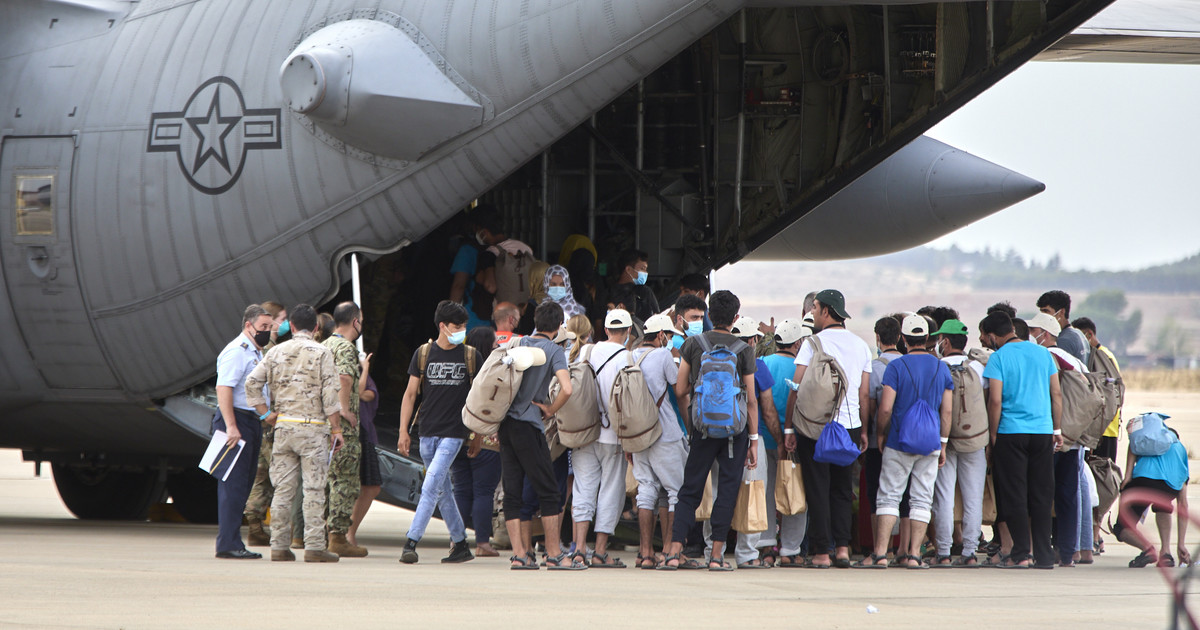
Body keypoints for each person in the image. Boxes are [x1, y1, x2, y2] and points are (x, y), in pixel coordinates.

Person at [662, 290, 759, 571]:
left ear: (708, 315)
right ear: (735, 318)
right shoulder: (745, 350)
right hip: (734, 432)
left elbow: (680, 389)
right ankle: (716, 557)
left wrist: (692, 422)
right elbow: (751, 400)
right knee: (726, 491)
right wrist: (753, 440)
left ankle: (673, 551)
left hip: (702, 429)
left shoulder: (694, 344)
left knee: (690, 490)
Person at [244, 304, 344, 563]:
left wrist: (266, 414)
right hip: (313, 429)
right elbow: (330, 396)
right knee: (313, 489)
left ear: (292, 326)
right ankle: (313, 546)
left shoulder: (275, 351)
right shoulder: (323, 353)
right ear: (316, 328)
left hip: (284, 427)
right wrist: (337, 428)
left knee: (282, 490)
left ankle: (278, 546)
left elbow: (252, 383)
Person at [784, 289, 873, 569]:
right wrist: (863, 431)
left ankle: (822, 553)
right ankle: (843, 549)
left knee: (817, 487)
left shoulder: (812, 343)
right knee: (843, 489)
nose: (812, 313)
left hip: (815, 427)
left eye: (816, 308)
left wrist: (789, 428)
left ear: (825, 311)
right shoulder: (861, 345)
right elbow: (864, 394)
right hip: (848, 426)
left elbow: (796, 387)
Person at [857, 315, 952, 569]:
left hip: (899, 440)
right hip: (930, 442)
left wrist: (881, 434)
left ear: (903, 339)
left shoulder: (896, 367)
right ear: (927, 338)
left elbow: (885, 408)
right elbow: (947, 411)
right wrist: (942, 443)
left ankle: (880, 554)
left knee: (888, 495)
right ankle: (914, 555)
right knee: (921, 498)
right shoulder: (941, 367)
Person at [397, 301, 481, 564]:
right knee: (442, 489)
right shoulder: (423, 353)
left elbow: (479, 399)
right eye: (457, 327)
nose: (462, 331)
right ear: (443, 326)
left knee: (431, 484)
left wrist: (478, 434)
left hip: (454, 432)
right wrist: (403, 430)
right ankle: (460, 544)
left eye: (464, 326)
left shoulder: (471, 356)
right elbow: (410, 394)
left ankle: (411, 542)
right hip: (426, 432)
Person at [979, 311, 1063, 569]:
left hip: (1010, 432)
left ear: (993, 336)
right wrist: (1056, 429)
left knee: (1014, 494)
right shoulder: (1043, 354)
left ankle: (1021, 553)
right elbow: (1056, 394)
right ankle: (1044, 555)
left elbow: (995, 400)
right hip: (1042, 432)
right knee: (1041, 494)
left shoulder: (998, 358)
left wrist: (993, 436)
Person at [500, 302, 575, 570]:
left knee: (513, 491)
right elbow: (566, 388)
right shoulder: (554, 350)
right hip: (528, 425)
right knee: (548, 490)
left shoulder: (518, 343)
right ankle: (554, 554)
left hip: (505, 426)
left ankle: (520, 555)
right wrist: (550, 409)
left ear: (535, 320)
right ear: (558, 326)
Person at [568, 309, 635, 568]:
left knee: (583, 488)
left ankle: (579, 548)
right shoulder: (627, 357)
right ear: (628, 332)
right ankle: (599, 551)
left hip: (585, 431)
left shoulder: (586, 351)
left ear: (605, 330)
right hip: (614, 436)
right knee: (611, 490)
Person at [211, 304, 274, 559]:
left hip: (250, 421)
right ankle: (227, 544)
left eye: (270, 327)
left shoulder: (256, 352)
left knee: (244, 484)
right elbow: (223, 388)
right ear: (249, 326)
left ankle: (233, 541)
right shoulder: (237, 352)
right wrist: (231, 427)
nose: (267, 332)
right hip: (236, 421)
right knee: (233, 485)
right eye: (263, 327)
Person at [1028, 311, 1090, 567]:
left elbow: (1049, 394)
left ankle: (1038, 549)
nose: (1031, 335)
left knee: (1042, 492)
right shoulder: (1075, 360)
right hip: (1075, 437)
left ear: (1045, 334)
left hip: (1054, 436)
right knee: (1068, 494)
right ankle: (1068, 552)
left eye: (1034, 331)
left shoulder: (1047, 357)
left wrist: (1055, 430)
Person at [626, 314, 687, 569]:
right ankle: (672, 551)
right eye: (669, 335)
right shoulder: (663, 356)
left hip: (638, 434)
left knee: (646, 491)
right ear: (661, 335)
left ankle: (646, 553)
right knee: (675, 492)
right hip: (665, 433)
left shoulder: (629, 355)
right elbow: (680, 389)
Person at [929, 319, 989, 567]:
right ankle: (970, 552)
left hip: (945, 441)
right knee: (973, 496)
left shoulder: (937, 367)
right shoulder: (977, 368)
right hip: (974, 440)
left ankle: (943, 552)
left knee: (944, 497)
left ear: (945, 341)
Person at [729, 317, 780, 569]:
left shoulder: (718, 362)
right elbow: (767, 409)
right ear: (753, 340)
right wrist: (779, 439)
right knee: (752, 494)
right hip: (752, 438)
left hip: (720, 436)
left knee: (719, 491)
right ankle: (747, 554)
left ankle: (711, 550)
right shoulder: (758, 365)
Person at [322, 302, 368, 558]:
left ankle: (320, 532)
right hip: (343, 428)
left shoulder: (325, 344)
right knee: (346, 481)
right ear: (355, 321)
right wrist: (343, 409)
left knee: (328, 480)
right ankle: (338, 537)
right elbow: (345, 378)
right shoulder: (346, 348)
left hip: (324, 424)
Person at [1115, 421, 1190, 568]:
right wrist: (1181, 543)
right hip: (1168, 487)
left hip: (1142, 481)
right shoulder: (1180, 451)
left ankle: (1148, 549)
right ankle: (1166, 553)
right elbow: (1183, 504)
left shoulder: (1147, 443)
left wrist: (1128, 476)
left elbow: (1132, 446)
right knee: (1163, 505)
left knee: (1122, 528)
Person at [865, 316, 904, 558]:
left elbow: (870, 407)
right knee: (905, 495)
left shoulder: (875, 368)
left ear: (877, 338)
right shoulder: (907, 365)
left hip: (875, 441)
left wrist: (870, 432)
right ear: (900, 338)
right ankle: (903, 548)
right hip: (904, 439)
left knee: (876, 494)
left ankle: (881, 548)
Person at [1073, 317, 1123, 462]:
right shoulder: (1099, 354)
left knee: (1101, 473)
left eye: (1080, 337)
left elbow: (1111, 392)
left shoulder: (1102, 356)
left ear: (1089, 335)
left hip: (1104, 429)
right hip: (1102, 427)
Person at [347, 355, 381, 548]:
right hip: (348, 433)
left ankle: (350, 532)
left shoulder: (361, 375)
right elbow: (361, 391)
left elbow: (367, 394)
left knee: (371, 486)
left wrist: (364, 370)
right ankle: (341, 533)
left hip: (365, 433)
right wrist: (365, 368)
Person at [473, 205, 534, 311]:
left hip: (503, 313)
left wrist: (479, 277)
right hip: (526, 309)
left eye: (477, 230)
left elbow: (490, 287)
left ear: (484, 232)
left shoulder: (490, 253)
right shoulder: (525, 248)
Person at [448, 220, 489, 330]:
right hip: (494, 320)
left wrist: (451, 320)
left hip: (472, 319)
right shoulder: (498, 250)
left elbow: (459, 286)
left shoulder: (467, 251)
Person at [1037, 290, 1090, 365]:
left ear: (1061, 312)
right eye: (1041, 312)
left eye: (1046, 311)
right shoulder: (1079, 334)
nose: (1042, 316)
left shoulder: (1063, 340)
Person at [614, 248, 659, 322]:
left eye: (645, 269)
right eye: (642, 268)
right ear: (628, 269)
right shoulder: (608, 293)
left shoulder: (646, 291)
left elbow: (657, 316)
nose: (645, 272)